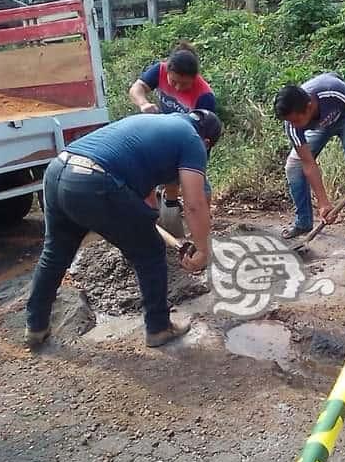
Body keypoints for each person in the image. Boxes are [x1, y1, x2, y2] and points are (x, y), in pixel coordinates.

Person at [25, 110, 223, 348]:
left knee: (55, 254)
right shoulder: (192, 140)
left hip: (59, 170)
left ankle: (36, 327)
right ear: (207, 142)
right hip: (93, 181)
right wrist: (202, 250)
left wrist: (143, 221)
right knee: (150, 251)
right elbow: (194, 204)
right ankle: (159, 328)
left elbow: (144, 194)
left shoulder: (161, 125)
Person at [273, 73, 345, 255]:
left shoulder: (332, 89)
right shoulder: (292, 125)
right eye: (290, 121)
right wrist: (324, 203)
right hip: (320, 127)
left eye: (296, 120)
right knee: (293, 167)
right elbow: (308, 164)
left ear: (309, 107)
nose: (293, 125)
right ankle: (303, 222)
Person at [128, 41, 218, 236]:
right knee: (157, 181)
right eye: (173, 81)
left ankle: (202, 231)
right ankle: (163, 225)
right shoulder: (159, 70)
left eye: (184, 84)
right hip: (160, 137)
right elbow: (136, 89)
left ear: (195, 79)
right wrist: (143, 104)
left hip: (190, 142)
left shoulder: (205, 96)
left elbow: (203, 136)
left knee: (198, 187)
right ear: (167, 69)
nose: (177, 87)